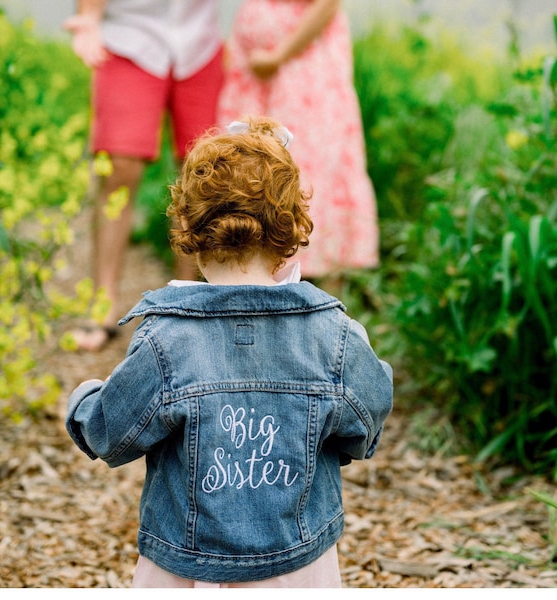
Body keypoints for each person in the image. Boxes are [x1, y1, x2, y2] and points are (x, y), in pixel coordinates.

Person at [65, 116, 393, 588]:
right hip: (299, 565)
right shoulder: (334, 335)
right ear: (291, 231)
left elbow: (109, 433)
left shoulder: (167, 341)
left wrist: (83, 401)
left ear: (190, 228)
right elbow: (370, 413)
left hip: (187, 564)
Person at [64, 0, 224, 351]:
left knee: (202, 170)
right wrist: (89, 17)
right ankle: (102, 306)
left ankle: (188, 301)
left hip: (199, 40)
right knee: (120, 167)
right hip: (129, 37)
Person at [218, 0, 379, 282]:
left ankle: (317, 300)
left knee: (302, 167)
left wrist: (279, 54)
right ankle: (250, 278)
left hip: (300, 64)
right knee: (250, 170)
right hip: (256, 72)